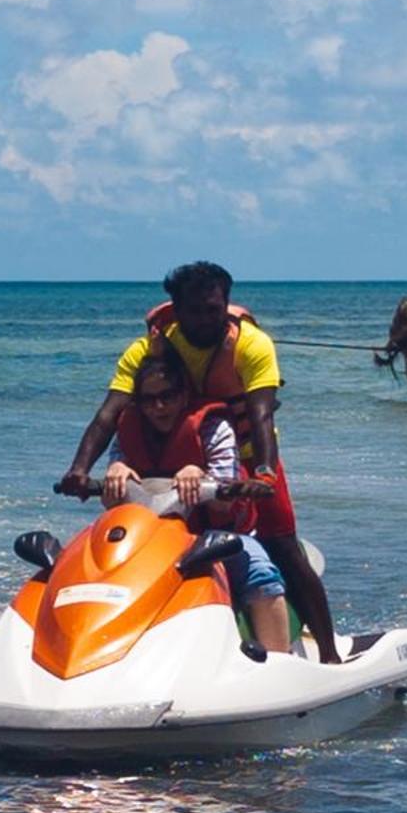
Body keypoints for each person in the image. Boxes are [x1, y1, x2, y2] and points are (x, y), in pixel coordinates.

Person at [62, 260, 341, 663]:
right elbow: (109, 414)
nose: (206, 319)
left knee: (281, 545)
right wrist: (80, 469)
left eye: (214, 309)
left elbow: (262, 413)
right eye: (195, 310)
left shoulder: (251, 345)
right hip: (169, 463)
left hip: (245, 457)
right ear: (176, 309)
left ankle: (329, 656)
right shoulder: (148, 352)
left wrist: (262, 471)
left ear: (226, 304)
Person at [100, 348, 292, 653]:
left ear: (183, 394)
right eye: (149, 400)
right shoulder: (127, 430)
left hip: (212, 537)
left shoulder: (213, 427)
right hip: (148, 539)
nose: (158, 406)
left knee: (259, 573)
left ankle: (280, 660)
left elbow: (225, 498)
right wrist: (115, 472)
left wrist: (201, 475)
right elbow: (114, 505)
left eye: (168, 395)